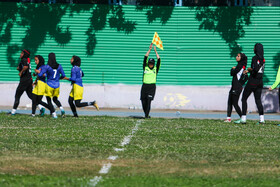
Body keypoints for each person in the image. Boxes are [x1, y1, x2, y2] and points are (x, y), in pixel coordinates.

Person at [235, 43, 265, 124]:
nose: (253, 49)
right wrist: (250, 70)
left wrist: (249, 69)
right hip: (260, 82)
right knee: (258, 100)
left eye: (254, 48)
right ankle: (262, 120)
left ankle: (243, 118)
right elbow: (259, 69)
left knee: (244, 98)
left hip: (253, 81)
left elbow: (255, 69)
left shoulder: (255, 58)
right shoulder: (263, 59)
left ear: (257, 49)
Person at [36, 53, 66, 119]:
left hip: (49, 85)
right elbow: (63, 75)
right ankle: (62, 109)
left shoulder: (47, 66)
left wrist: (38, 72)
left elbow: (41, 75)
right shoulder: (59, 66)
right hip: (57, 85)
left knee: (49, 100)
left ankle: (54, 114)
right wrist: (59, 78)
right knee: (55, 99)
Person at [224, 53, 248, 122]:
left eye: (238, 56)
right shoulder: (242, 66)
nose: (236, 57)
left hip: (236, 87)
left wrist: (232, 68)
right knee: (230, 102)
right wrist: (241, 83)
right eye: (236, 56)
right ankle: (228, 118)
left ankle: (242, 117)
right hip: (234, 86)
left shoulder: (240, 66)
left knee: (235, 103)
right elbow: (246, 77)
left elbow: (232, 73)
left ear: (241, 58)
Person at [10, 49, 33, 115]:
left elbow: (25, 67)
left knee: (17, 96)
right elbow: (25, 67)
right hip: (29, 80)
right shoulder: (27, 60)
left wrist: (21, 72)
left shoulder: (24, 60)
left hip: (24, 81)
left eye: (22, 53)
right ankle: (41, 107)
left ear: (25, 54)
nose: (20, 54)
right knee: (31, 96)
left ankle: (13, 112)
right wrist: (19, 68)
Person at [141, 43, 161, 118]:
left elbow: (159, 60)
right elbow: (145, 58)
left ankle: (146, 115)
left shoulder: (156, 69)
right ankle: (146, 113)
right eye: (150, 63)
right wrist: (149, 50)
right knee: (143, 101)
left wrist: (156, 51)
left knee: (149, 101)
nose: (151, 65)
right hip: (144, 86)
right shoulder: (145, 67)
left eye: (152, 64)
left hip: (151, 87)